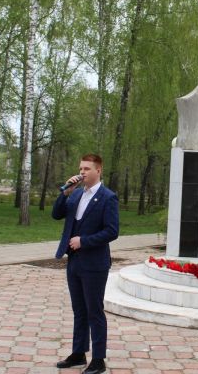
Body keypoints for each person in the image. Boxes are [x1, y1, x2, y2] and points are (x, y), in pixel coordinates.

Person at [52, 154, 119, 374]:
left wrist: (84, 241)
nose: (82, 173)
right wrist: (65, 193)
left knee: (94, 311)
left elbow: (112, 231)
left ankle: (98, 360)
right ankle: (78, 353)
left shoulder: (108, 197)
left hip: (95, 264)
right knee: (79, 309)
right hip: (74, 261)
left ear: (98, 170)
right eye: (80, 168)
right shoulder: (76, 194)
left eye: (87, 169)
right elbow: (56, 215)